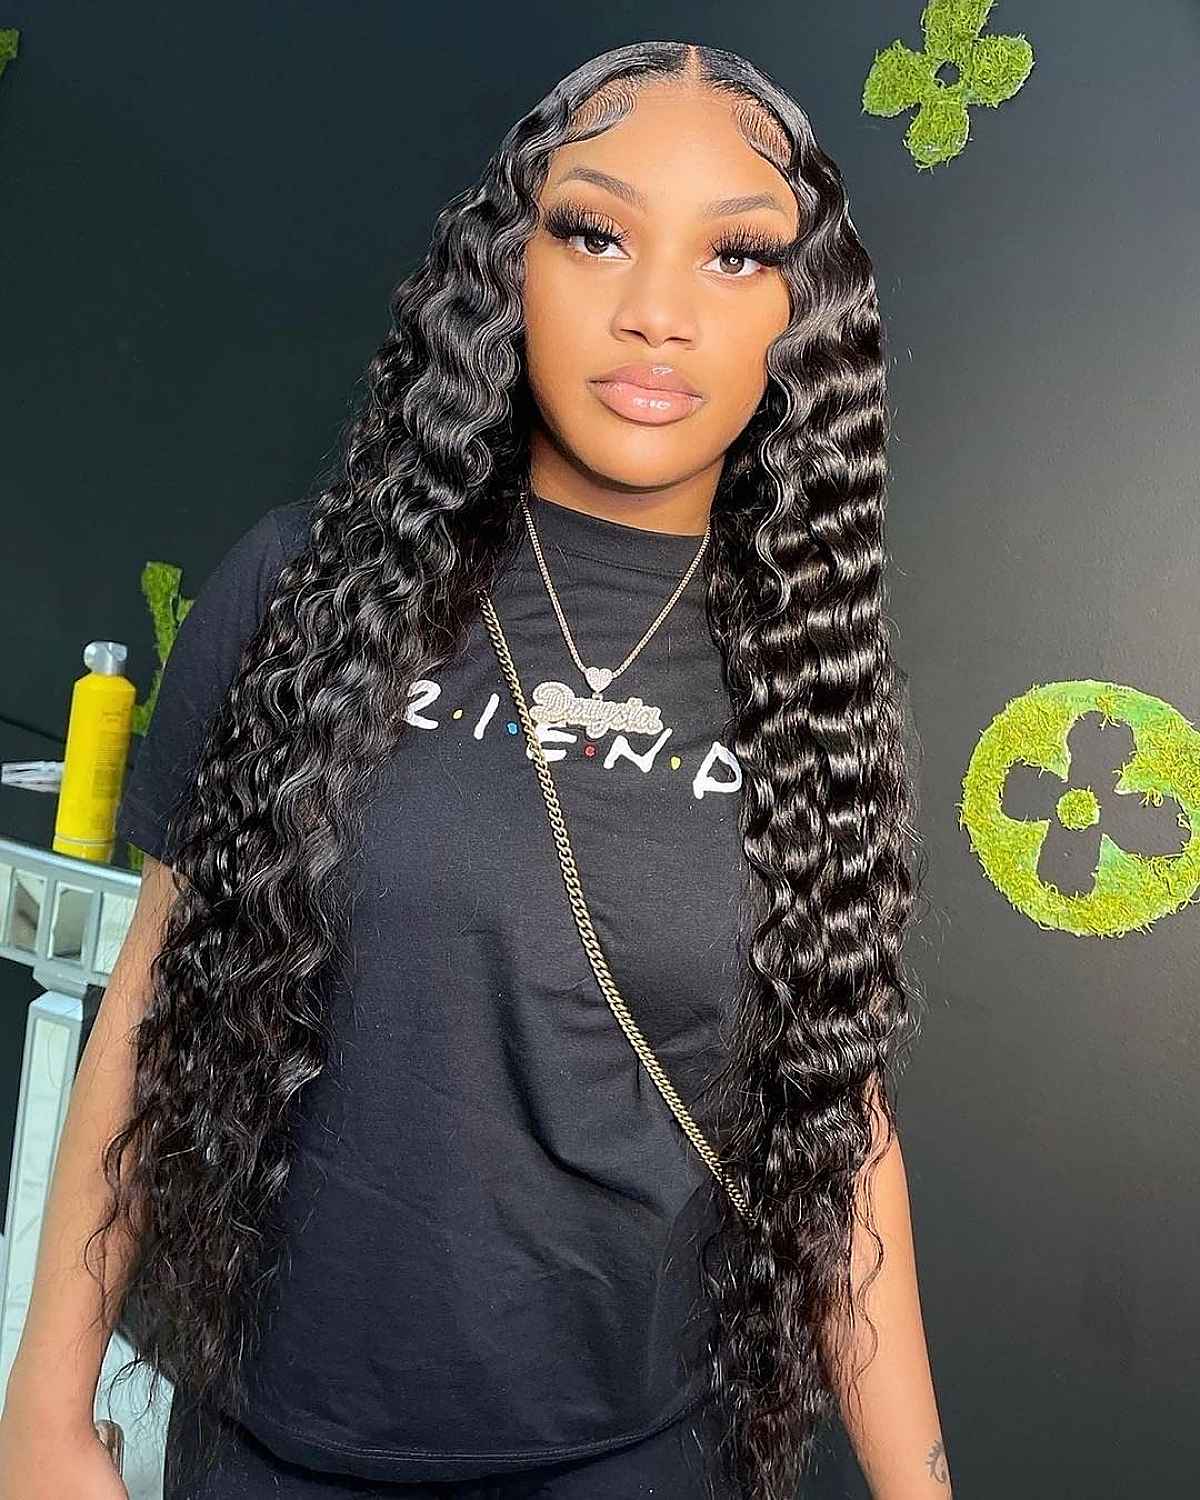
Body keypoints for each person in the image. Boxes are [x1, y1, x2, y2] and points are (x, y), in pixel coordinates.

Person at [0, 38, 947, 1500]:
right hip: (277, 1448)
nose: (656, 312)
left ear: (804, 313)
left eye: (735, 254)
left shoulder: (815, 684)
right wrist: (45, 1409)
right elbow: (153, 1010)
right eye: (595, 232)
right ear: (510, 264)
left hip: (634, 1459)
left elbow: (840, 1124)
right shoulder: (303, 592)